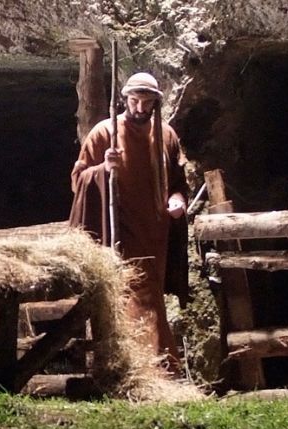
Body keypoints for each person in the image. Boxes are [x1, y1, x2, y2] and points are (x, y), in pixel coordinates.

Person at [69, 72, 189, 372]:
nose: (139, 108)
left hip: (155, 232)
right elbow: (77, 180)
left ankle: (157, 369)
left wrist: (177, 199)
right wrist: (102, 170)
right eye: (135, 101)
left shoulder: (167, 135)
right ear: (125, 100)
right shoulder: (103, 133)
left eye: (146, 103)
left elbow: (177, 181)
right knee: (127, 296)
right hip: (118, 231)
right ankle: (135, 368)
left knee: (152, 299)